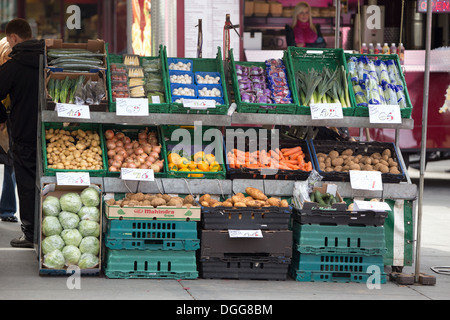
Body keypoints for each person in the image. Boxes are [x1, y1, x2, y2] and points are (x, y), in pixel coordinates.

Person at [0, 18, 45, 247]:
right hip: (53, 138)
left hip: (23, 134)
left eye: (8, 39)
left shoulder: (13, 66)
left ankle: (30, 234)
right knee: (48, 184)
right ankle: (48, 231)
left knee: (27, 186)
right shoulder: (48, 59)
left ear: (14, 38)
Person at [0, 37, 17, 223]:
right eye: (5, 57)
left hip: (9, 127)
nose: (8, 60)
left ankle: (7, 210)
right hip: (3, 123)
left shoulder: (13, 72)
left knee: (10, 166)